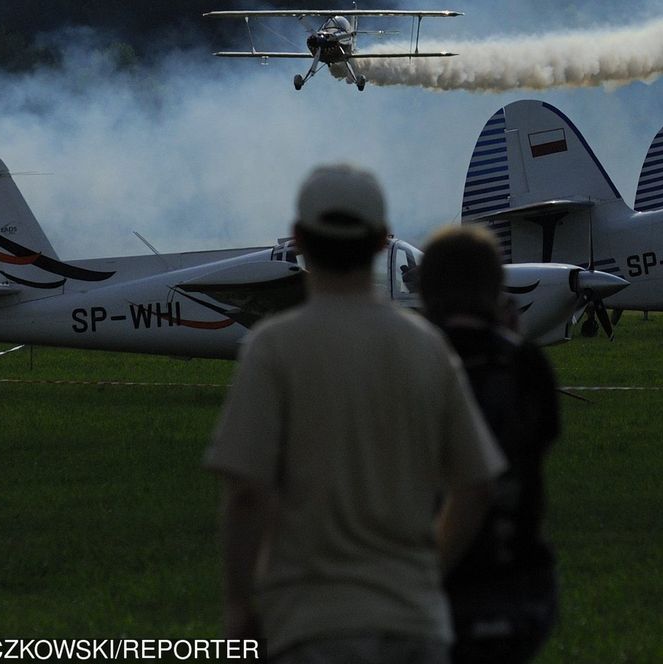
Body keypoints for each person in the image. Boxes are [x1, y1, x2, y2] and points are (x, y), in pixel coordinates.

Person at [204, 165, 506, 663]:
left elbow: (246, 492)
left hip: (310, 626)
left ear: (300, 239)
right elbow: (477, 485)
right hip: (416, 624)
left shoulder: (273, 346)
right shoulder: (429, 346)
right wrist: (428, 571)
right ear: (379, 243)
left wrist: (239, 607)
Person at [418, 225, 561, 664]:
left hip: (434, 580)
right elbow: (544, 435)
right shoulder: (525, 362)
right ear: (495, 289)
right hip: (517, 581)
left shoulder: (414, 362)